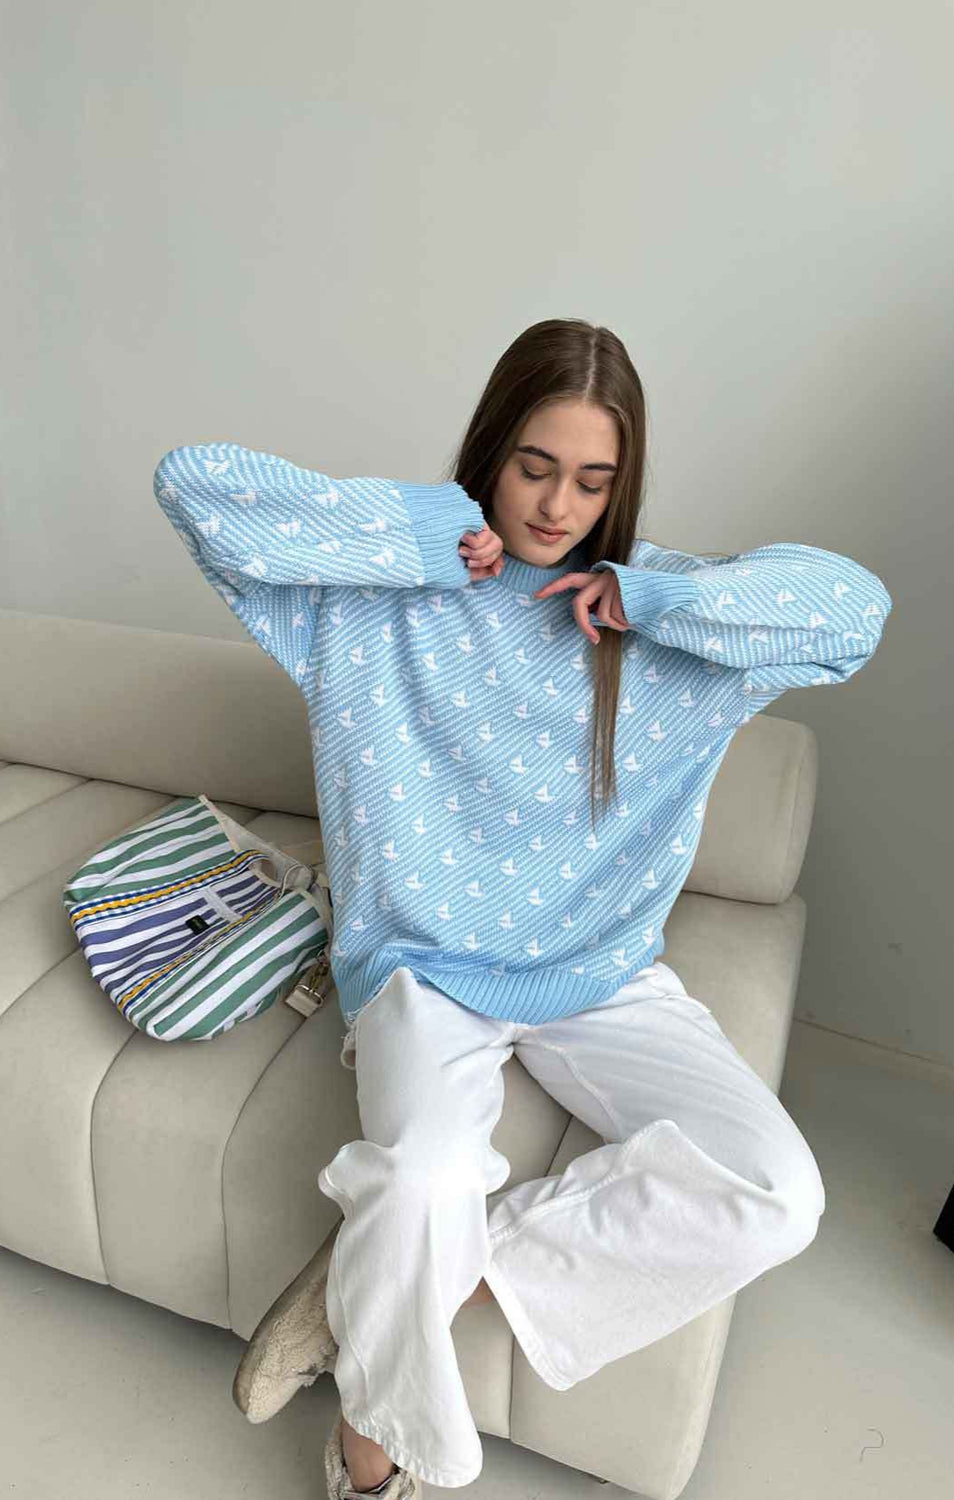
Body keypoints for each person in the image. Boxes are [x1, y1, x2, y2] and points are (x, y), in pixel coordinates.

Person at [153, 317, 892, 1498]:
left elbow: (853, 613)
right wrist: (423, 536)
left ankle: (374, 1286)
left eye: (592, 481)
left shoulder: (663, 617)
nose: (556, 506)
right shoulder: (377, 601)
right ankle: (372, 1456)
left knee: (778, 1193)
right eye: (533, 467)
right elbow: (197, 487)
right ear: (491, 450)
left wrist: (653, 601)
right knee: (418, 1180)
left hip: (602, 973)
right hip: (422, 969)